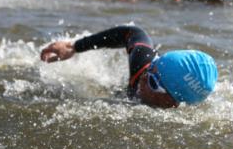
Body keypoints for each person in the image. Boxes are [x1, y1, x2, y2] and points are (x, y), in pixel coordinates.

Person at [40, 25, 217, 109]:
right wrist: (74, 46)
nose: (143, 77)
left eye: (153, 81)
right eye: (151, 68)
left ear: (171, 102)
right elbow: (133, 32)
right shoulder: (144, 63)